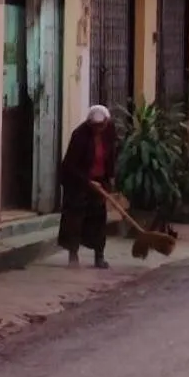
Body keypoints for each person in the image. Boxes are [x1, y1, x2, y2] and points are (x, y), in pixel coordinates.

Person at [59, 105, 119, 268]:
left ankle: (99, 256)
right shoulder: (79, 135)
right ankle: (73, 255)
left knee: (98, 220)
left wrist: (110, 178)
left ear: (107, 122)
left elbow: (111, 156)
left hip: (100, 180)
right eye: (95, 126)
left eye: (102, 125)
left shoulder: (109, 132)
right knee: (75, 219)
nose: (99, 128)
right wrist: (87, 181)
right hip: (79, 182)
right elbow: (70, 165)